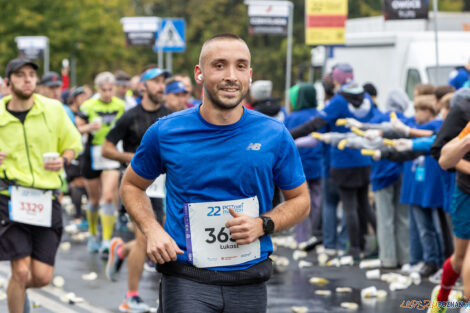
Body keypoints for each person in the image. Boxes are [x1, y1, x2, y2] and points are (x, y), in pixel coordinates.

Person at [120, 33, 310, 313]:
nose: (231, 76)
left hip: (249, 279)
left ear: (250, 75)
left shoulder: (274, 134)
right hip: (186, 277)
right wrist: (152, 230)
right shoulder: (166, 132)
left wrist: (263, 224)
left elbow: (301, 200)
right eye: (219, 65)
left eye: (241, 66)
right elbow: (131, 186)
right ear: (199, 73)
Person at [0, 58, 82, 313]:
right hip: (9, 197)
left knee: (42, 276)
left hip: (46, 198)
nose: (27, 79)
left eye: (31, 75)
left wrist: (64, 159)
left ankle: (16, 289)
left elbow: (73, 142)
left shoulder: (53, 109)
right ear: (8, 82)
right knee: (21, 270)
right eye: (20, 75)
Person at [290, 63, 380, 259]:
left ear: (338, 80)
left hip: (342, 159)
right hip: (364, 157)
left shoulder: (339, 101)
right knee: (364, 203)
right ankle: (376, 244)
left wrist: (289, 135)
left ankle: (354, 249)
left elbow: (316, 123)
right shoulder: (366, 98)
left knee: (348, 206)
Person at [102, 66, 172, 313]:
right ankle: (130, 297)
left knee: (162, 240)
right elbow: (106, 149)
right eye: (155, 81)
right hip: (137, 188)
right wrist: (131, 158)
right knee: (144, 238)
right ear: (142, 86)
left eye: (163, 81)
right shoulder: (130, 116)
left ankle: (121, 249)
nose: (161, 86)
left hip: (163, 188)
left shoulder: (170, 116)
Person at [428, 88, 470, 312]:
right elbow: (441, 156)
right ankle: (442, 296)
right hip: (467, 193)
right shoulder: (464, 107)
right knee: (460, 259)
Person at [76, 72, 125, 256]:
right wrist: (89, 128)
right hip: (91, 154)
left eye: (110, 89)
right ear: (98, 90)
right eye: (103, 90)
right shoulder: (88, 106)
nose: (107, 93)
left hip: (111, 152)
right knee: (94, 200)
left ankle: (106, 239)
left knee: (108, 197)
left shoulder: (120, 105)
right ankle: (93, 234)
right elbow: (77, 127)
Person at [284, 83, 323, 248]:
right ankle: (318, 235)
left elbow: (285, 141)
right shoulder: (320, 115)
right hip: (318, 164)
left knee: (299, 201)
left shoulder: (292, 118)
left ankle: (301, 237)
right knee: (317, 201)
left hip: (298, 166)